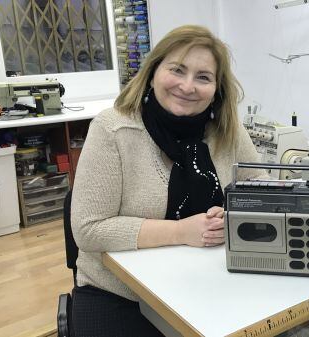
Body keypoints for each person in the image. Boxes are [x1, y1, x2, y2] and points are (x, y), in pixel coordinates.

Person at [70, 25, 265, 336]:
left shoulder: (228, 132)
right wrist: (181, 231)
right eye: (177, 70)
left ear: (217, 89)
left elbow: (262, 191)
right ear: (153, 71)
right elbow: (88, 229)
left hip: (209, 283)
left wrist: (233, 218)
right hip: (119, 294)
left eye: (203, 77)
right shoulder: (113, 129)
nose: (188, 86)